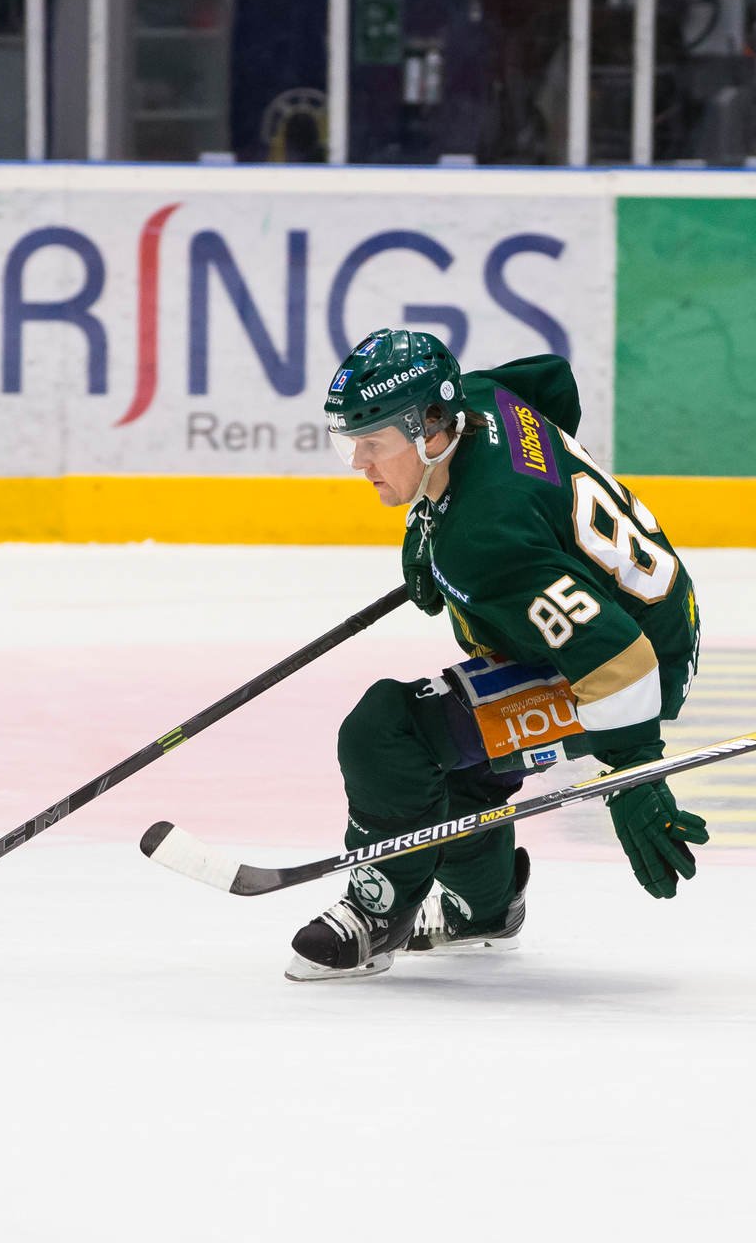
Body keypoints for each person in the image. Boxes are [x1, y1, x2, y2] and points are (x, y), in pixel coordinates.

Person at [288, 329, 706, 981]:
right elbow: (551, 379)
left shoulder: (484, 543)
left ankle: (379, 908)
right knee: (457, 755)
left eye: (372, 444)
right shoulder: (481, 397)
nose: (358, 463)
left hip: (636, 662)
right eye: (350, 442)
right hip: (636, 608)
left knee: (388, 731)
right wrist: (492, 512)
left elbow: (617, 662)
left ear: (430, 432)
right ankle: (481, 908)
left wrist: (634, 779)